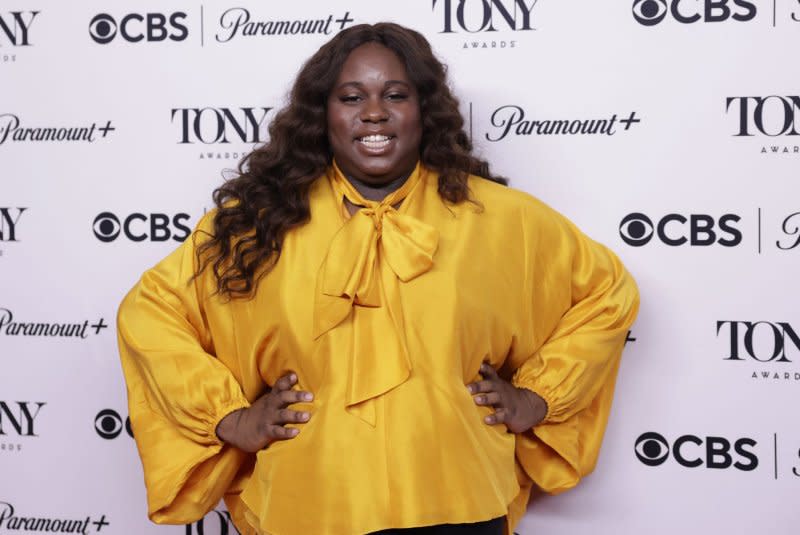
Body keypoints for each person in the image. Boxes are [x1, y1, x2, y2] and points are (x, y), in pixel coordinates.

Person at [117, 22, 639, 535]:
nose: (373, 112)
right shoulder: (256, 222)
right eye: (350, 97)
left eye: (395, 94)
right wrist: (230, 419)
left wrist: (538, 397)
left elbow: (606, 294)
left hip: (457, 501)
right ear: (322, 114)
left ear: (424, 111)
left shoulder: (504, 220)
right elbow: (151, 312)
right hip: (311, 502)